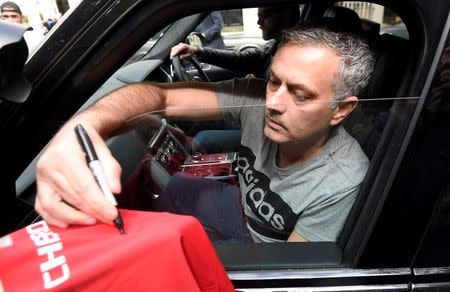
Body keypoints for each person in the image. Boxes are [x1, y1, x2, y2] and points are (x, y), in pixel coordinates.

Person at [34, 25, 374, 243]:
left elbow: (290, 269)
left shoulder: (342, 180)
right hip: (239, 205)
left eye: (300, 95)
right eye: (274, 80)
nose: (273, 102)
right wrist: (86, 126)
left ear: (341, 109)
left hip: (259, 250)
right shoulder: (256, 98)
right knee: (180, 186)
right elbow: (162, 98)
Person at [171, 6, 300, 79]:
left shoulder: (295, 55)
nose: (258, 22)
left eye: (264, 16)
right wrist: (197, 50)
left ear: (286, 14)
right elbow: (243, 59)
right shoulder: (276, 46)